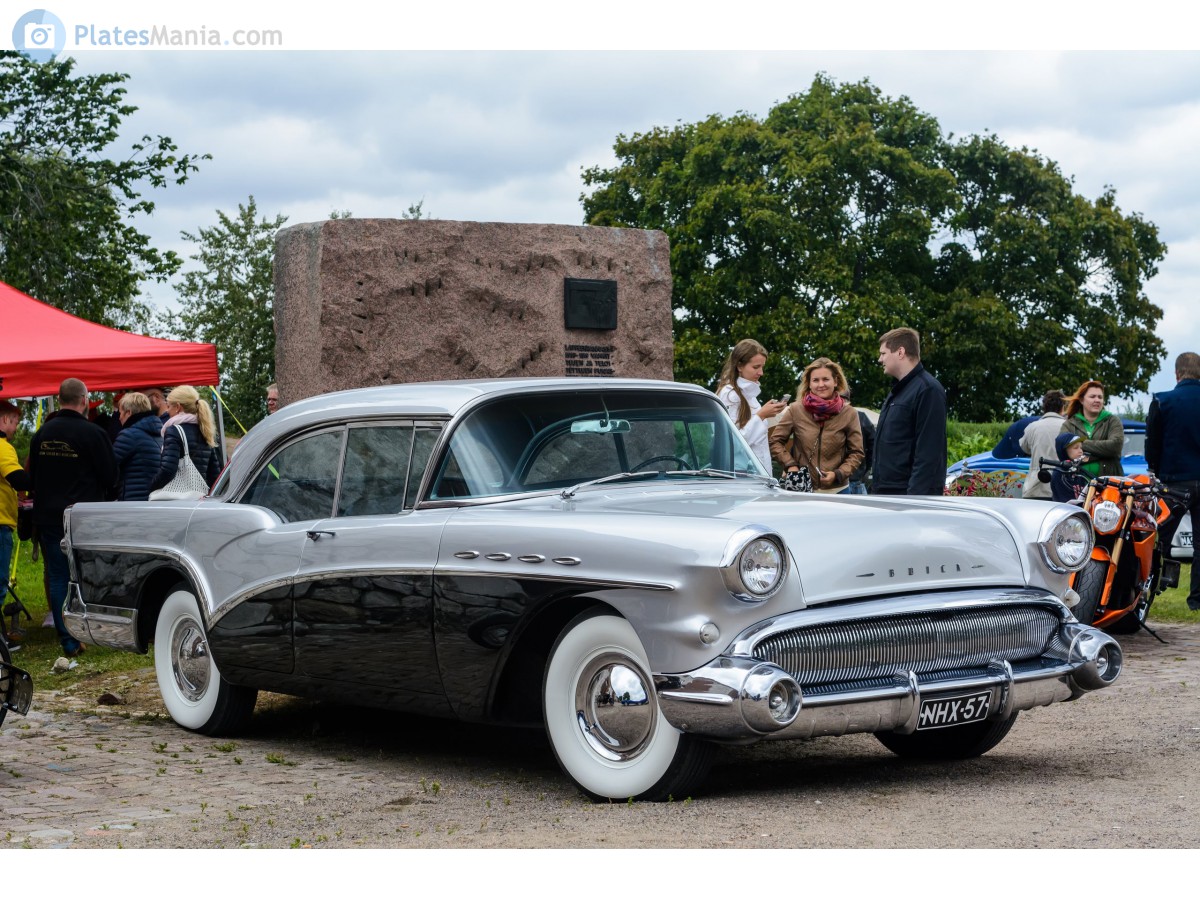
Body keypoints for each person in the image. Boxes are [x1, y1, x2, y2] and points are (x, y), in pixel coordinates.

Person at [28, 379, 118, 656]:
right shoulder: (93, 433)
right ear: (84, 400)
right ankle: (91, 631)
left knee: (58, 576)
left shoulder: (42, 434)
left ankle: (68, 639)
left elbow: (33, 477)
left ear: (60, 399)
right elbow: (111, 477)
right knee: (88, 573)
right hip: (84, 515)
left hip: (49, 516)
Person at [1146, 351, 1200, 610]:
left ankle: (1146, 590)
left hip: (1174, 481)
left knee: (1158, 539)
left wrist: (1155, 470)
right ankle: (1196, 601)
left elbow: (1152, 444)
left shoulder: (1162, 400)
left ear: (1177, 373)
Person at [769, 358, 864, 493]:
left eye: (825, 379)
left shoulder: (849, 413)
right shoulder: (795, 409)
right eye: (815, 380)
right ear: (809, 384)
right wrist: (790, 465)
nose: (821, 384)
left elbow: (857, 452)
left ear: (835, 381)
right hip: (802, 489)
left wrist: (838, 474)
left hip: (839, 490)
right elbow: (775, 442)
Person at [871, 327, 947, 495]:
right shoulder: (898, 391)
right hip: (888, 493)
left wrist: (914, 498)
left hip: (907, 496)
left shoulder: (928, 390)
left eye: (883, 353)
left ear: (900, 352)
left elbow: (928, 451)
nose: (879, 359)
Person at [715, 340, 786, 473]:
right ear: (739, 366)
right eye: (756, 367)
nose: (761, 372)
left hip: (757, 473)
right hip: (741, 474)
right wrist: (761, 415)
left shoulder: (749, 395)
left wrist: (768, 414)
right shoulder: (729, 395)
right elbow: (733, 443)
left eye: (762, 367)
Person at [151, 385, 222, 492]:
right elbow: (214, 473)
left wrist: (151, 487)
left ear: (178, 407)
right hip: (199, 495)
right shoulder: (205, 430)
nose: (167, 411)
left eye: (169, 406)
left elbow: (167, 471)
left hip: (176, 496)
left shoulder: (174, 431)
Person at [1, 401, 33, 608]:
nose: (15, 428)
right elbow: (19, 480)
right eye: (15, 422)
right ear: (5, 420)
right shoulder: (3, 447)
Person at [1063, 380, 1124, 478]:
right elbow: (1064, 450)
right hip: (1076, 482)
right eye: (1092, 396)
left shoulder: (1112, 421)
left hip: (1108, 482)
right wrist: (1104, 454)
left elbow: (1115, 446)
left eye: (1100, 397)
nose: (1097, 400)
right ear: (1081, 400)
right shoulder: (1069, 424)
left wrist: (1079, 444)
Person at [112, 392, 164, 501]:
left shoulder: (128, 435)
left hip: (132, 501)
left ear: (128, 413)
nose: (119, 418)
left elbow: (109, 467)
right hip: (154, 500)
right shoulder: (161, 434)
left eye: (120, 413)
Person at [1017, 389, 1068, 499]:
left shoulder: (1032, 427)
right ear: (1063, 407)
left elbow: (1024, 447)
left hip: (1035, 487)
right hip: (1062, 487)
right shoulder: (1069, 426)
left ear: (1044, 407)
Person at [1050, 433, 1087, 504]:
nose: (1080, 451)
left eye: (1081, 448)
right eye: (1076, 448)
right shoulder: (1059, 473)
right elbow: (1065, 502)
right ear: (1064, 450)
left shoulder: (1078, 471)